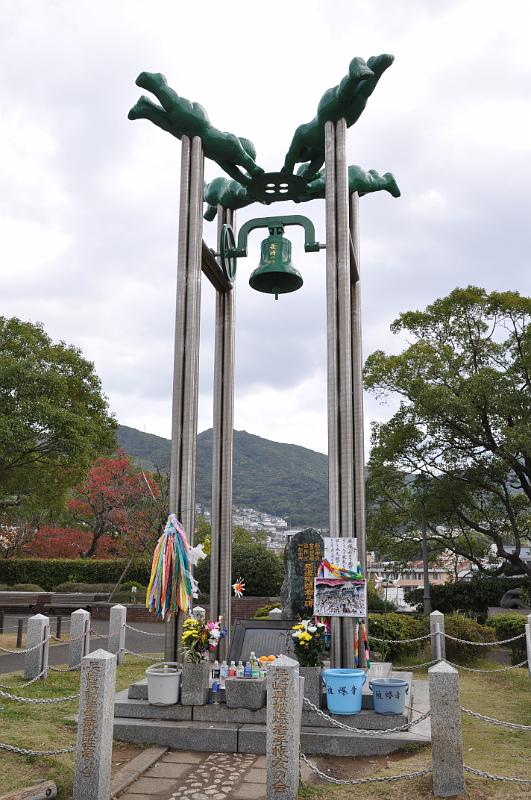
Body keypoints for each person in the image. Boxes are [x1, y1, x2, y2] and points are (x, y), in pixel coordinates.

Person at [129, 72, 264, 185]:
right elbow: (245, 160)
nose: (238, 164)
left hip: (193, 138)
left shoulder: (222, 158)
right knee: (177, 110)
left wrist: (247, 183)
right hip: (199, 124)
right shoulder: (232, 144)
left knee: (168, 125)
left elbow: (235, 174)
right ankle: (157, 84)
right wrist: (254, 170)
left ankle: (146, 108)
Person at [282, 54, 394, 179]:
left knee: (348, 96)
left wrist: (287, 176)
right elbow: (307, 167)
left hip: (328, 115)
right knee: (360, 95)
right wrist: (296, 179)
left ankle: (356, 68)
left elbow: (291, 159)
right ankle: (375, 67)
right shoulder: (322, 148)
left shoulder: (304, 134)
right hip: (337, 118)